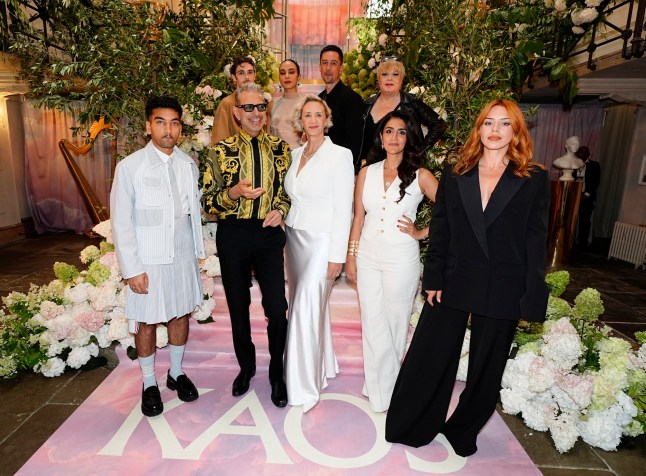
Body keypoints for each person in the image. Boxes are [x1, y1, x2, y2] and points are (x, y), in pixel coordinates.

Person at [385, 99, 550, 457]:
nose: (494, 130)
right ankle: (412, 424)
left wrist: (534, 294)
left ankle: (462, 430)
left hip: (504, 283)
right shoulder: (457, 172)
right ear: (479, 128)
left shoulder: (533, 178)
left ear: (516, 131)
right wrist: (433, 277)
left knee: (486, 369)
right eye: (488, 122)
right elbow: (441, 229)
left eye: (504, 124)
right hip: (455, 277)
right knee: (429, 355)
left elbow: (537, 241)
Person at [111, 96, 205, 417]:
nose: (168, 129)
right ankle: (149, 381)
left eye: (174, 123)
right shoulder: (130, 167)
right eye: (161, 122)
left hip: (181, 258)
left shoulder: (188, 166)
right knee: (147, 322)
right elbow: (121, 221)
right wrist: (132, 269)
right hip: (147, 262)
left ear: (181, 128)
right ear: (148, 125)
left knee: (180, 315)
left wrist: (196, 257)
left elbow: (192, 214)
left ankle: (175, 373)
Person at [202, 82, 291, 408]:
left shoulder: (282, 150)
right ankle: (246, 367)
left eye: (260, 107)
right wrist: (234, 193)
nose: (256, 113)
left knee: (277, 310)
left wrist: (281, 209)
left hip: (268, 236)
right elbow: (208, 201)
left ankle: (276, 373)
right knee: (238, 308)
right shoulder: (219, 151)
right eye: (249, 108)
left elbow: (287, 192)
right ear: (237, 113)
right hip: (233, 234)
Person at [345, 109, 439, 413]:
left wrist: (422, 232)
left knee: (395, 324)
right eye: (389, 131)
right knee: (372, 323)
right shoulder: (366, 172)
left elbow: (454, 209)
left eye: (401, 132)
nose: (394, 137)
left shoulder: (421, 175)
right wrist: (351, 256)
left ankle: (386, 389)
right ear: (381, 136)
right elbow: (359, 217)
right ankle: (378, 384)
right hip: (368, 256)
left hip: (402, 259)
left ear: (409, 137)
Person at [283, 95, 355, 412]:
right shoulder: (296, 153)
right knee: (310, 309)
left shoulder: (340, 155)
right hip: (294, 238)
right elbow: (292, 198)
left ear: (327, 119)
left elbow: (344, 209)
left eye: (319, 114)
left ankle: (304, 387)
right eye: (307, 115)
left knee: (304, 311)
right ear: (301, 120)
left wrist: (337, 256)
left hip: (323, 241)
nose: (313, 120)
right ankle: (322, 367)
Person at [358, 57, 444, 168]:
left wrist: (419, 152)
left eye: (395, 74)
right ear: (378, 79)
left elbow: (439, 124)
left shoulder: (411, 103)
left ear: (402, 79)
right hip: (372, 170)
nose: (389, 78)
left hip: (404, 169)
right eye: (384, 74)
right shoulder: (366, 105)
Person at [318, 45, 364, 172]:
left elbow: (354, 143)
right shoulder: (319, 99)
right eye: (324, 63)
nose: (328, 68)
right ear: (319, 67)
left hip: (340, 168)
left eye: (333, 63)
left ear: (341, 68)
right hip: (320, 166)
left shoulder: (352, 99)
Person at [211, 56, 257, 144]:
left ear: (255, 75)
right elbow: (220, 140)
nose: (246, 77)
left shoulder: (261, 103)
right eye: (241, 73)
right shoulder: (227, 103)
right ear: (234, 77)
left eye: (250, 72)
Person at [268, 59, 303, 150]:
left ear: (298, 76)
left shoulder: (306, 104)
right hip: (276, 158)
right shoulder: (272, 105)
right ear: (279, 77)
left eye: (291, 72)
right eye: (283, 73)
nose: (287, 76)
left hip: (299, 157)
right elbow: (268, 136)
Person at [574, 146, 601, 249]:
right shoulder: (573, 164)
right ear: (577, 153)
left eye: (585, 152)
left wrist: (585, 195)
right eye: (580, 152)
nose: (582, 154)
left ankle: (583, 244)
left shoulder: (594, 165)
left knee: (584, 221)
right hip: (573, 196)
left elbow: (596, 182)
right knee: (570, 220)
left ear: (589, 154)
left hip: (587, 197)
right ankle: (570, 243)